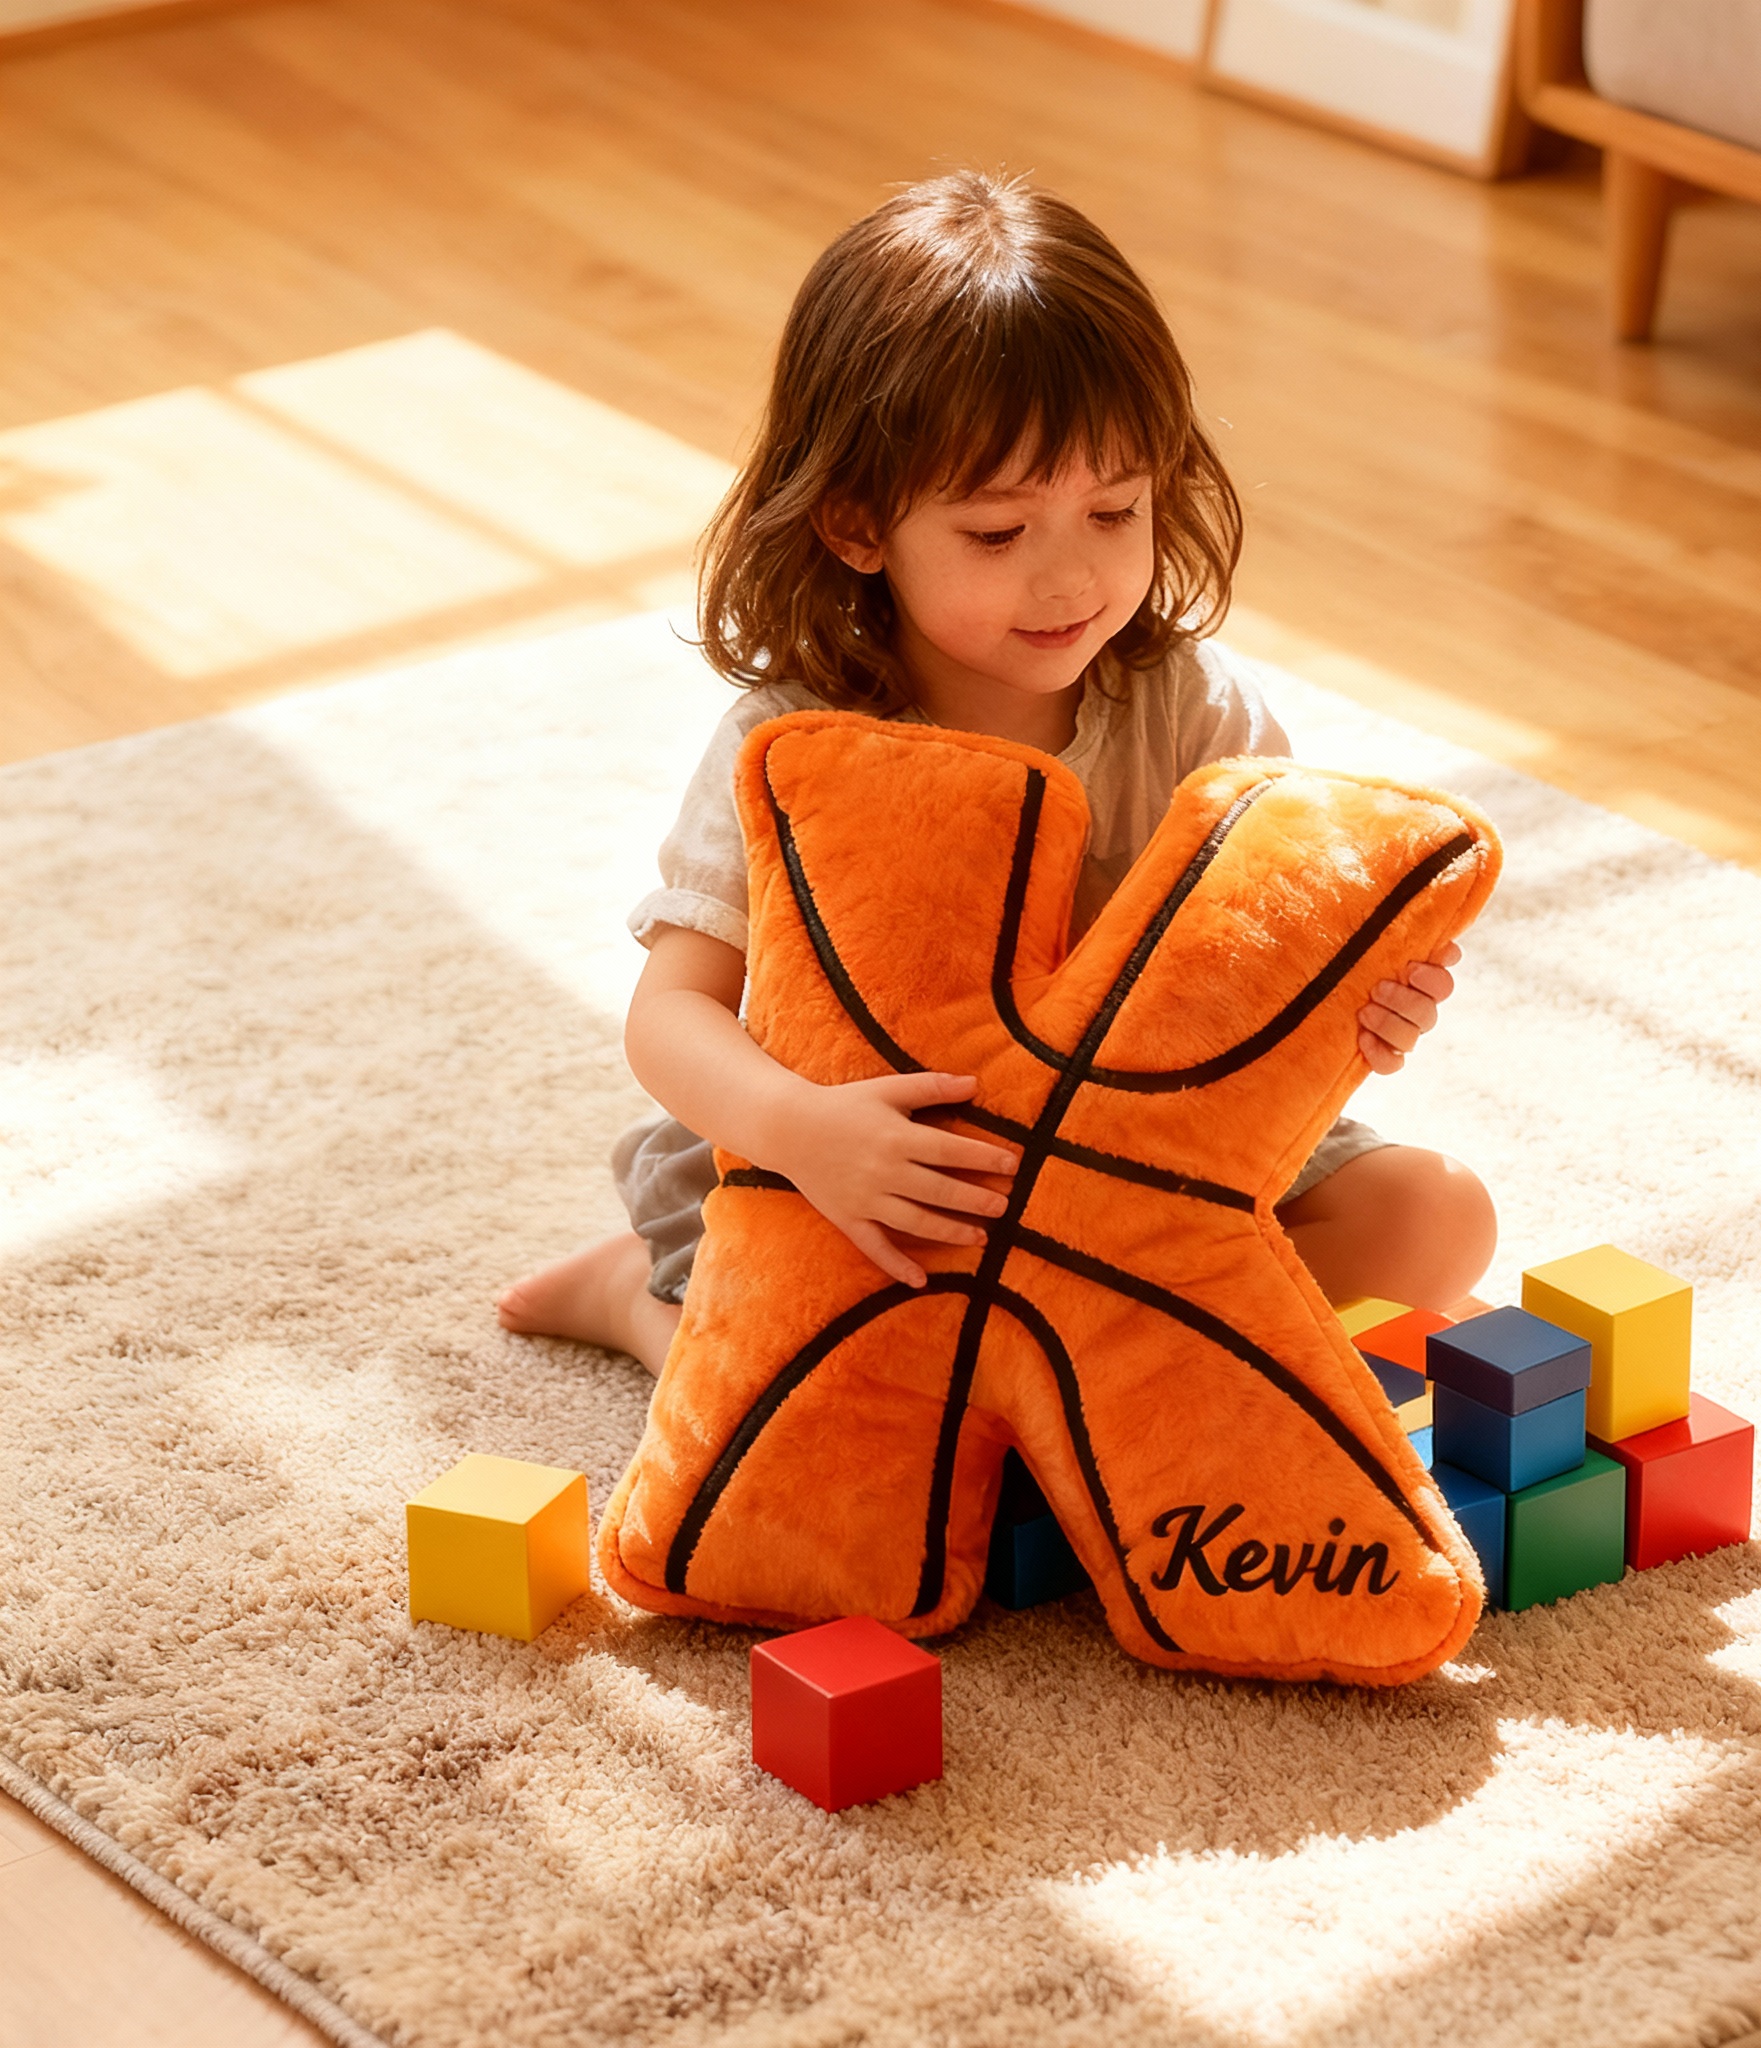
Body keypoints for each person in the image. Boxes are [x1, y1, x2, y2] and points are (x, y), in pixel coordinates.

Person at [497, 170, 1495, 1377]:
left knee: (1434, 1218)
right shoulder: (791, 740)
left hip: (1137, 1157)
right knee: (845, 1391)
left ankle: (1062, 1372)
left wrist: (1354, 1008)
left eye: (1114, 511)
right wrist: (802, 1130)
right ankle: (634, 1300)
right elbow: (671, 1014)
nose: (1070, 579)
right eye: (996, 532)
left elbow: (1263, 971)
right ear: (856, 524)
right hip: (890, 1165)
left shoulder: (1193, 710)